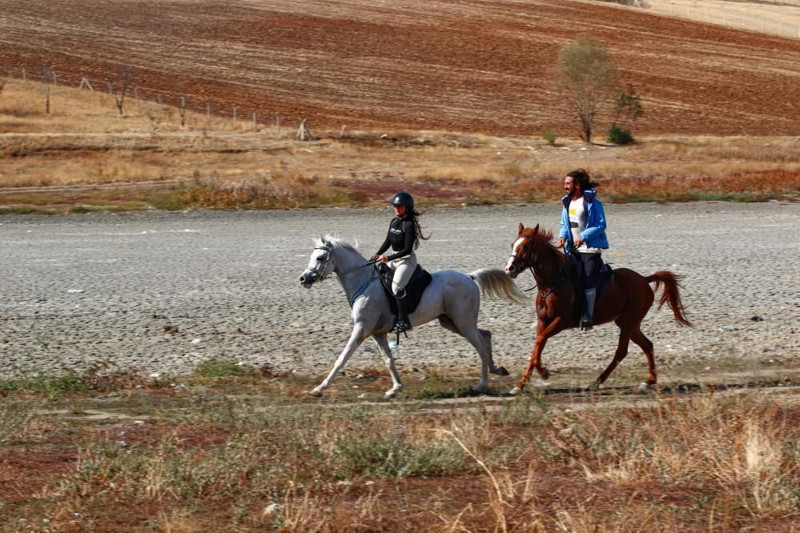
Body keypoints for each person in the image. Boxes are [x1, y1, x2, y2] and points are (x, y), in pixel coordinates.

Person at [556, 169, 609, 330]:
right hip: (573, 250)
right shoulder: (568, 202)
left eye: (567, 183)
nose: (564, 186)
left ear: (577, 185)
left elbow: (600, 225)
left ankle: (588, 315)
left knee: (587, 280)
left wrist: (584, 236)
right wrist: (562, 236)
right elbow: (565, 225)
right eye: (564, 183)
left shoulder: (592, 203)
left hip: (590, 249)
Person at [371, 192, 428, 333]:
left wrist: (388, 258)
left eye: (399, 206)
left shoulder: (409, 225)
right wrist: (378, 253)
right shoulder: (394, 222)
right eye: (394, 206)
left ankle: (404, 321)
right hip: (394, 258)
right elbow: (388, 241)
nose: (396, 208)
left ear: (407, 207)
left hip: (406, 260)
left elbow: (408, 249)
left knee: (397, 288)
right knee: (377, 275)